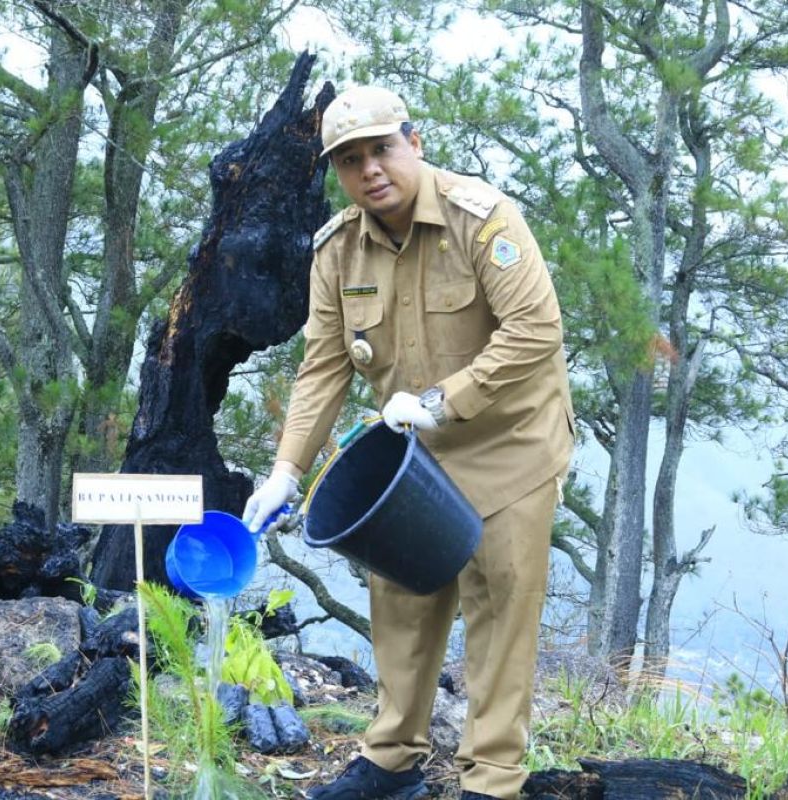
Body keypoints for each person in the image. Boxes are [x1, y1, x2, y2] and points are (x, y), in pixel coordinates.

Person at [242, 85, 575, 800]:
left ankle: (491, 778)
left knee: (498, 609)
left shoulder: (482, 219)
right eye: (350, 160)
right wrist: (285, 469)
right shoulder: (337, 250)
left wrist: (440, 402)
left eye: (382, 149)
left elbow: (536, 332)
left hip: (510, 445)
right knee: (400, 606)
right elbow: (324, 364)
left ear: (413, 143)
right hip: (410, 460)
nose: (371, 171)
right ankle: (391, 760)